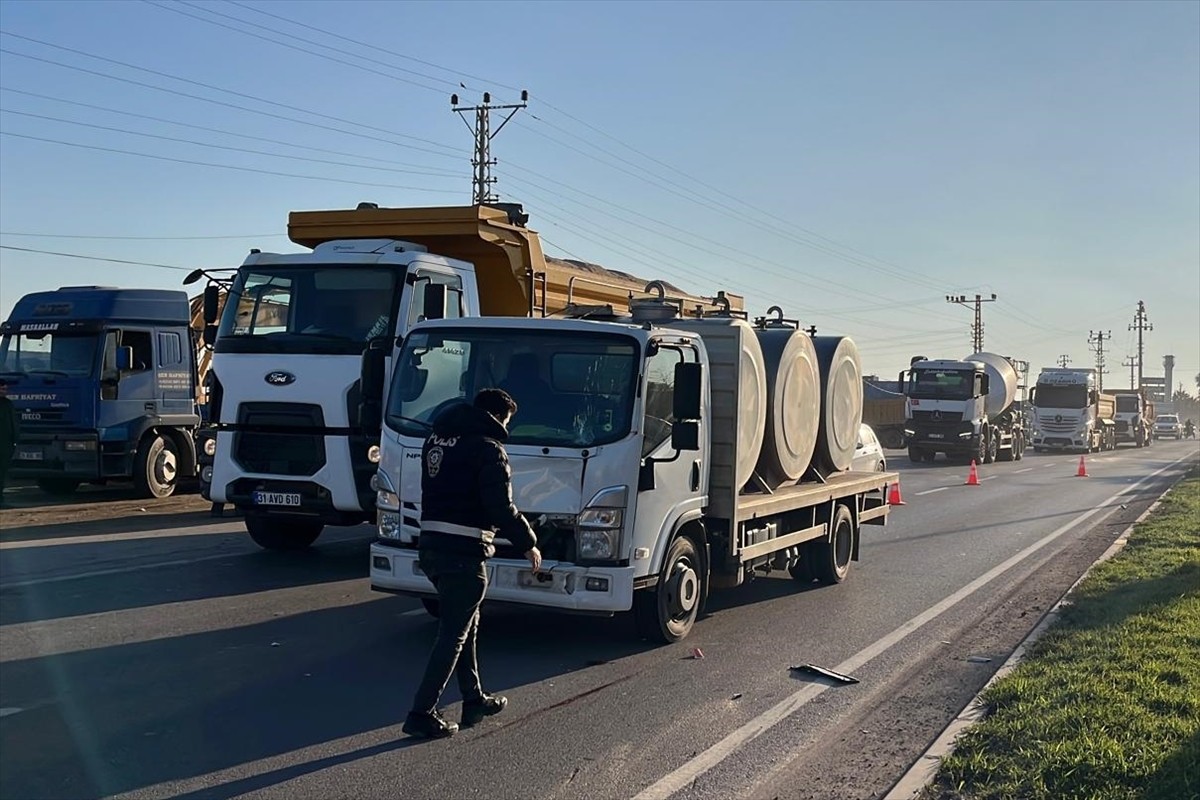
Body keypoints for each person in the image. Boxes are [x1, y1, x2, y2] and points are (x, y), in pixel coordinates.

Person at [403, 388, 541, 739]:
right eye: (507, 421)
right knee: (452, 635)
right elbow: (500, 507)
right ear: (498, 416)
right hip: (463, 551)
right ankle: (422, 712)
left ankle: (473, 698)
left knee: (466, 625)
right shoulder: (488, 449)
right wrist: (529, 543)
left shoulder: (437, 439)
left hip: (431, 544)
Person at [0, 379, 19, 508]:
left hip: (5, 444)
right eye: (1, 389)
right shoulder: (6, 404)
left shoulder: (7, 404)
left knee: (2, 473)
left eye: (5, 389)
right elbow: (13, 424)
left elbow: (13, 424)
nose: (4, 391)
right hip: (4, 443)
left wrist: (15, 441)